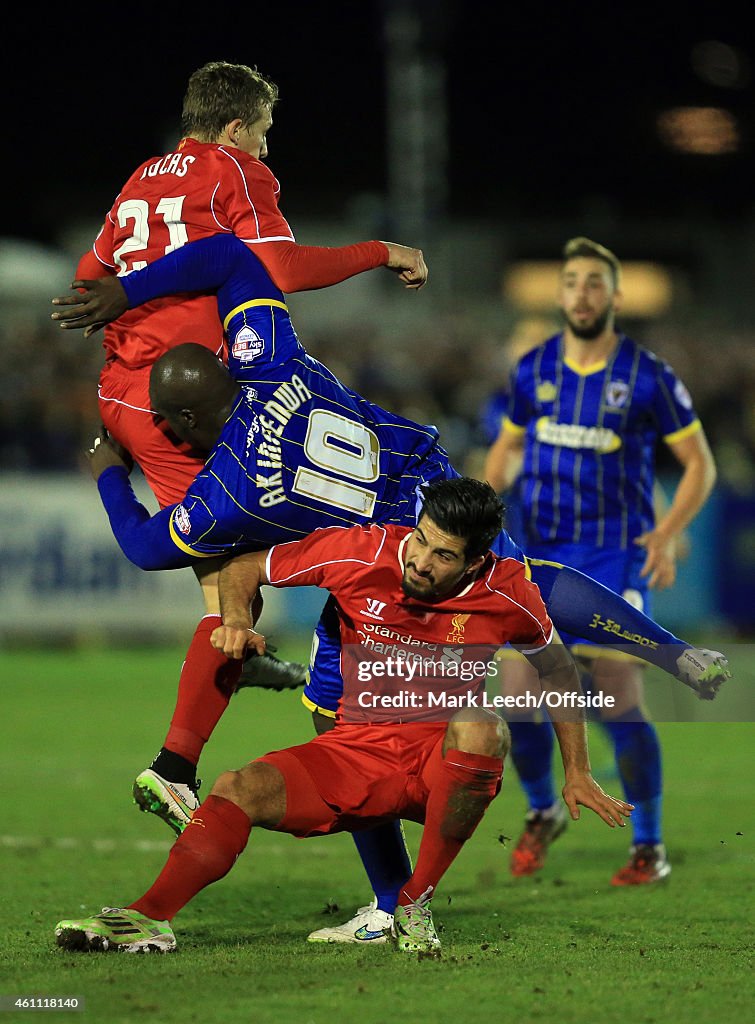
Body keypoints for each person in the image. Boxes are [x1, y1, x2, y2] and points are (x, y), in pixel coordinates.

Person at [52, 233, 729, 941]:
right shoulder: (269, 358)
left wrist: (107, 467)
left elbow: (141, 544)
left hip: (386, 551)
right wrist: (130, 292)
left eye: (165, 424)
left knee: (346, 708)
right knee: (515, 592)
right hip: (426, 484)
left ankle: (379, 890)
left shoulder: (227, 493)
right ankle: (672, 655)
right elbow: (227, 256)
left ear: (184, 420)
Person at [67, 60, 428, 833]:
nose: (267, 148)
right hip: (187, 401)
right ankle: (175, 765)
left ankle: (240, 658)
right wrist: (382, 250)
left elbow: (91, 275)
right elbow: (278, 266)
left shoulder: (143, 174)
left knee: (226, 579)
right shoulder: (234, 170)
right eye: (263, 131)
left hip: (126, 392)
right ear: (235, 127)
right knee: (229, 564)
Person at [54, 477, 634, 956]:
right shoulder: (363, 551)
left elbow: (557, 672)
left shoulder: (508, 592)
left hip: (442, 761)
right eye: (422, 541)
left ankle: (413, 906)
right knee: (237, 787)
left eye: (444, 555)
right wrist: (236, 618)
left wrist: (577, 771)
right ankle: (148, 918)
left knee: (481, 720)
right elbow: (246, 567)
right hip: (358, 752)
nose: (423, 562)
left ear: (477, 559)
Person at [484, 237, 719, 885]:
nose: (581, 293)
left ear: (613, 296)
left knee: (617, 697)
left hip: (612, 559)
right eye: (571, 283)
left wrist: (668, 531)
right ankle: (542, 810)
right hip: (538, 558)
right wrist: (487, 491)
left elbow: (699, 463)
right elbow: (503, 450)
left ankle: (647, 845)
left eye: (594, 283)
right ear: (558, 295)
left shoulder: (647, 375)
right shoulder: (532, 371)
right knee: (517, 697)